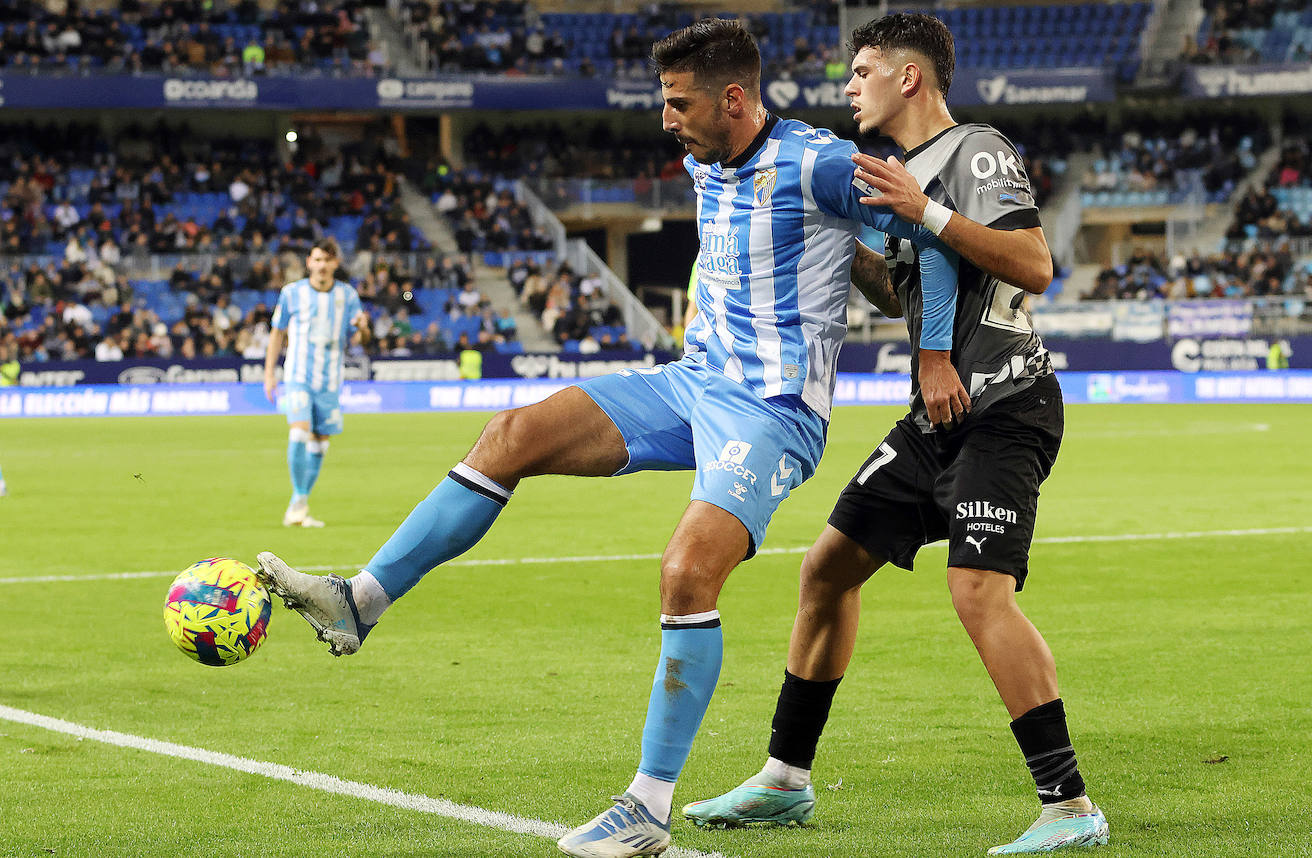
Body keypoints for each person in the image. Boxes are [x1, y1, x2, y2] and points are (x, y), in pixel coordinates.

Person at [254, 18, 957, 858]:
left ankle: (647, 810)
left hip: (771, 410)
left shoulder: (823, 162)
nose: (667, 119)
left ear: (734, 98)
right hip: (689, 383)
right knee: (510, 433)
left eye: (678, 102)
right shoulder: (706, 159)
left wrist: (931, 346)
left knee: (688, 569)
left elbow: (932, 240)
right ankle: (359, 601)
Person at [682, 13, 1109, 855]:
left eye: (863, 69)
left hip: (1006, 402)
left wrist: (930, 218)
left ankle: (1069, 805)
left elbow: (1033, 265)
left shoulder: (974, 150)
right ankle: (785, 779)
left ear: (908, 78)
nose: (849, 85)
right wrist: (849, 250)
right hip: (937, 417)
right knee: (827, 569)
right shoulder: (893, 175)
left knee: (977, 590)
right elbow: (903, 290)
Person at [262, 238, 370, 528]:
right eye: (317, 260)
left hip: (330, 380)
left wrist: (363, 328)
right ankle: (298, 501)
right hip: (298, 376)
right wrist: (269, 373)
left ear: (335, 263)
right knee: (299, 433)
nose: (322, 265)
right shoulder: (291, 293)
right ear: (309, 262)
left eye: (327, 260)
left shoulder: (347, 296)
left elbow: (359, 340)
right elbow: (277, 333)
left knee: (321, 444)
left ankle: (299, 505)